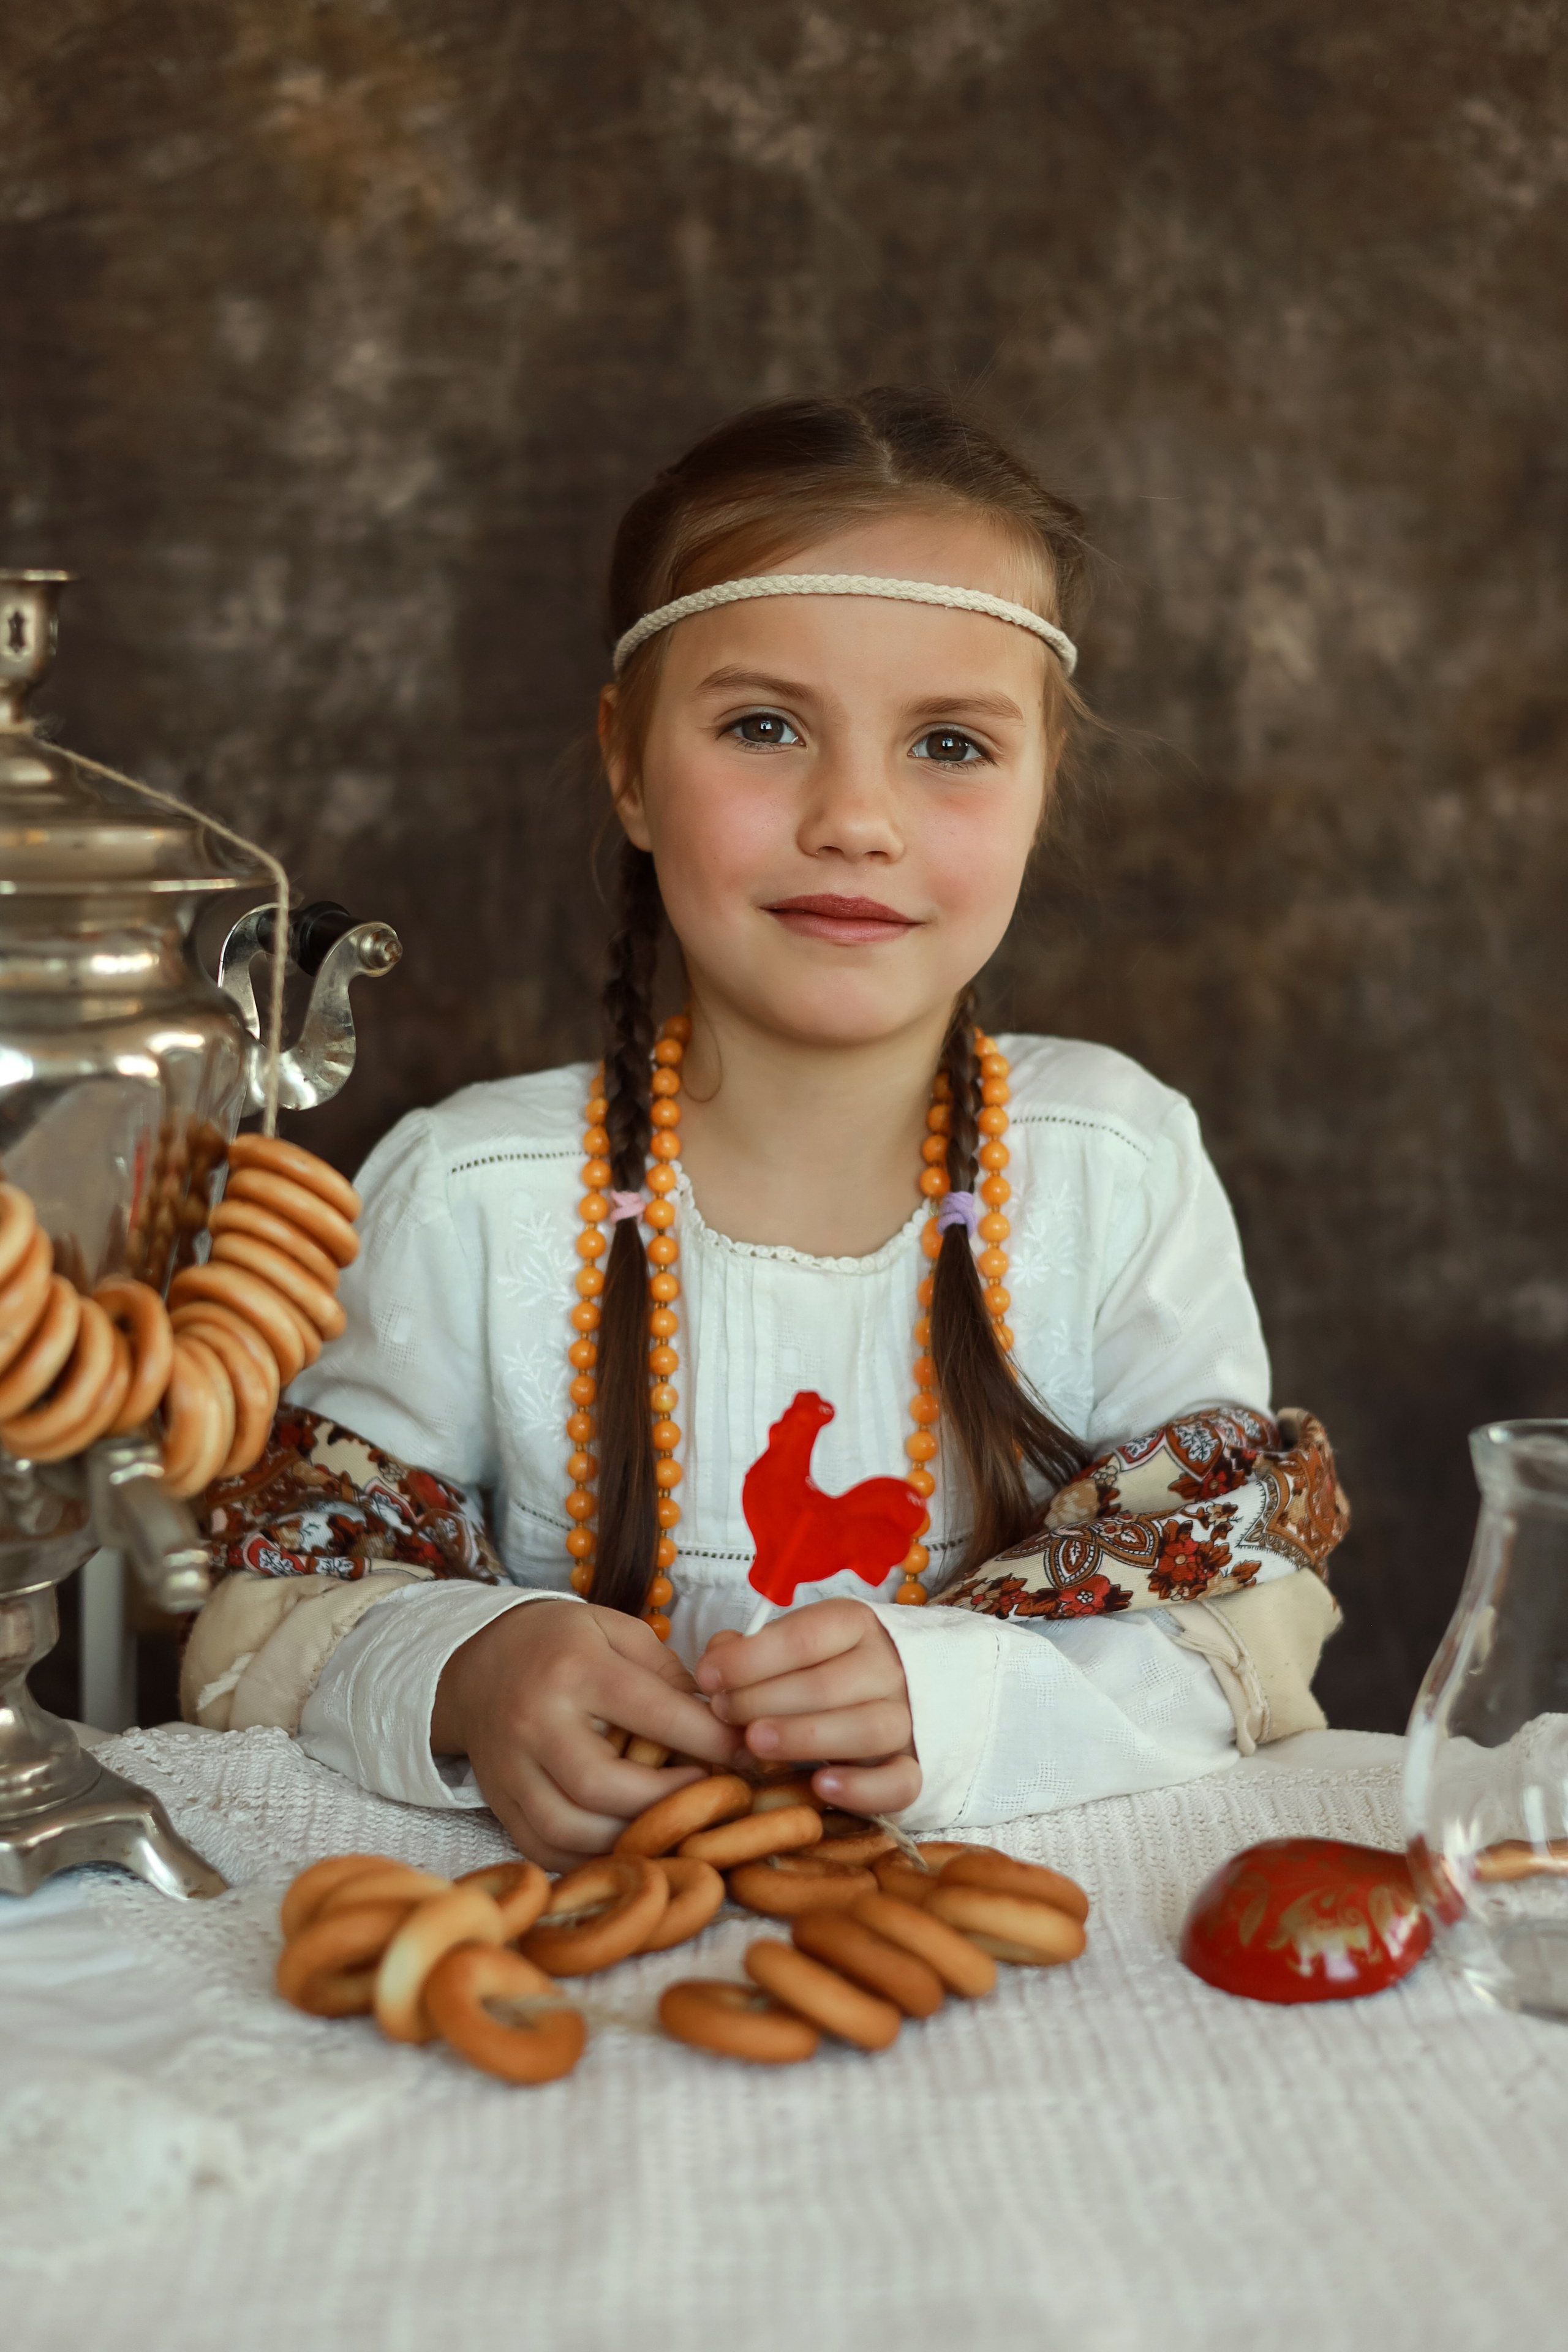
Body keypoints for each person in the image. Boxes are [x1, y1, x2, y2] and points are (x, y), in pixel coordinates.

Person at [181, 388, 1346, 1869]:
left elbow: (1236, 1632)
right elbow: (267, 1628)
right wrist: (470, 1674)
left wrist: (970, 1701)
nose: (854, 816)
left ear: (1045, 776)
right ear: (627, 762)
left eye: (948, 744)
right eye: (762, 726)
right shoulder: (474, 1194)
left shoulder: (1112, 1167)